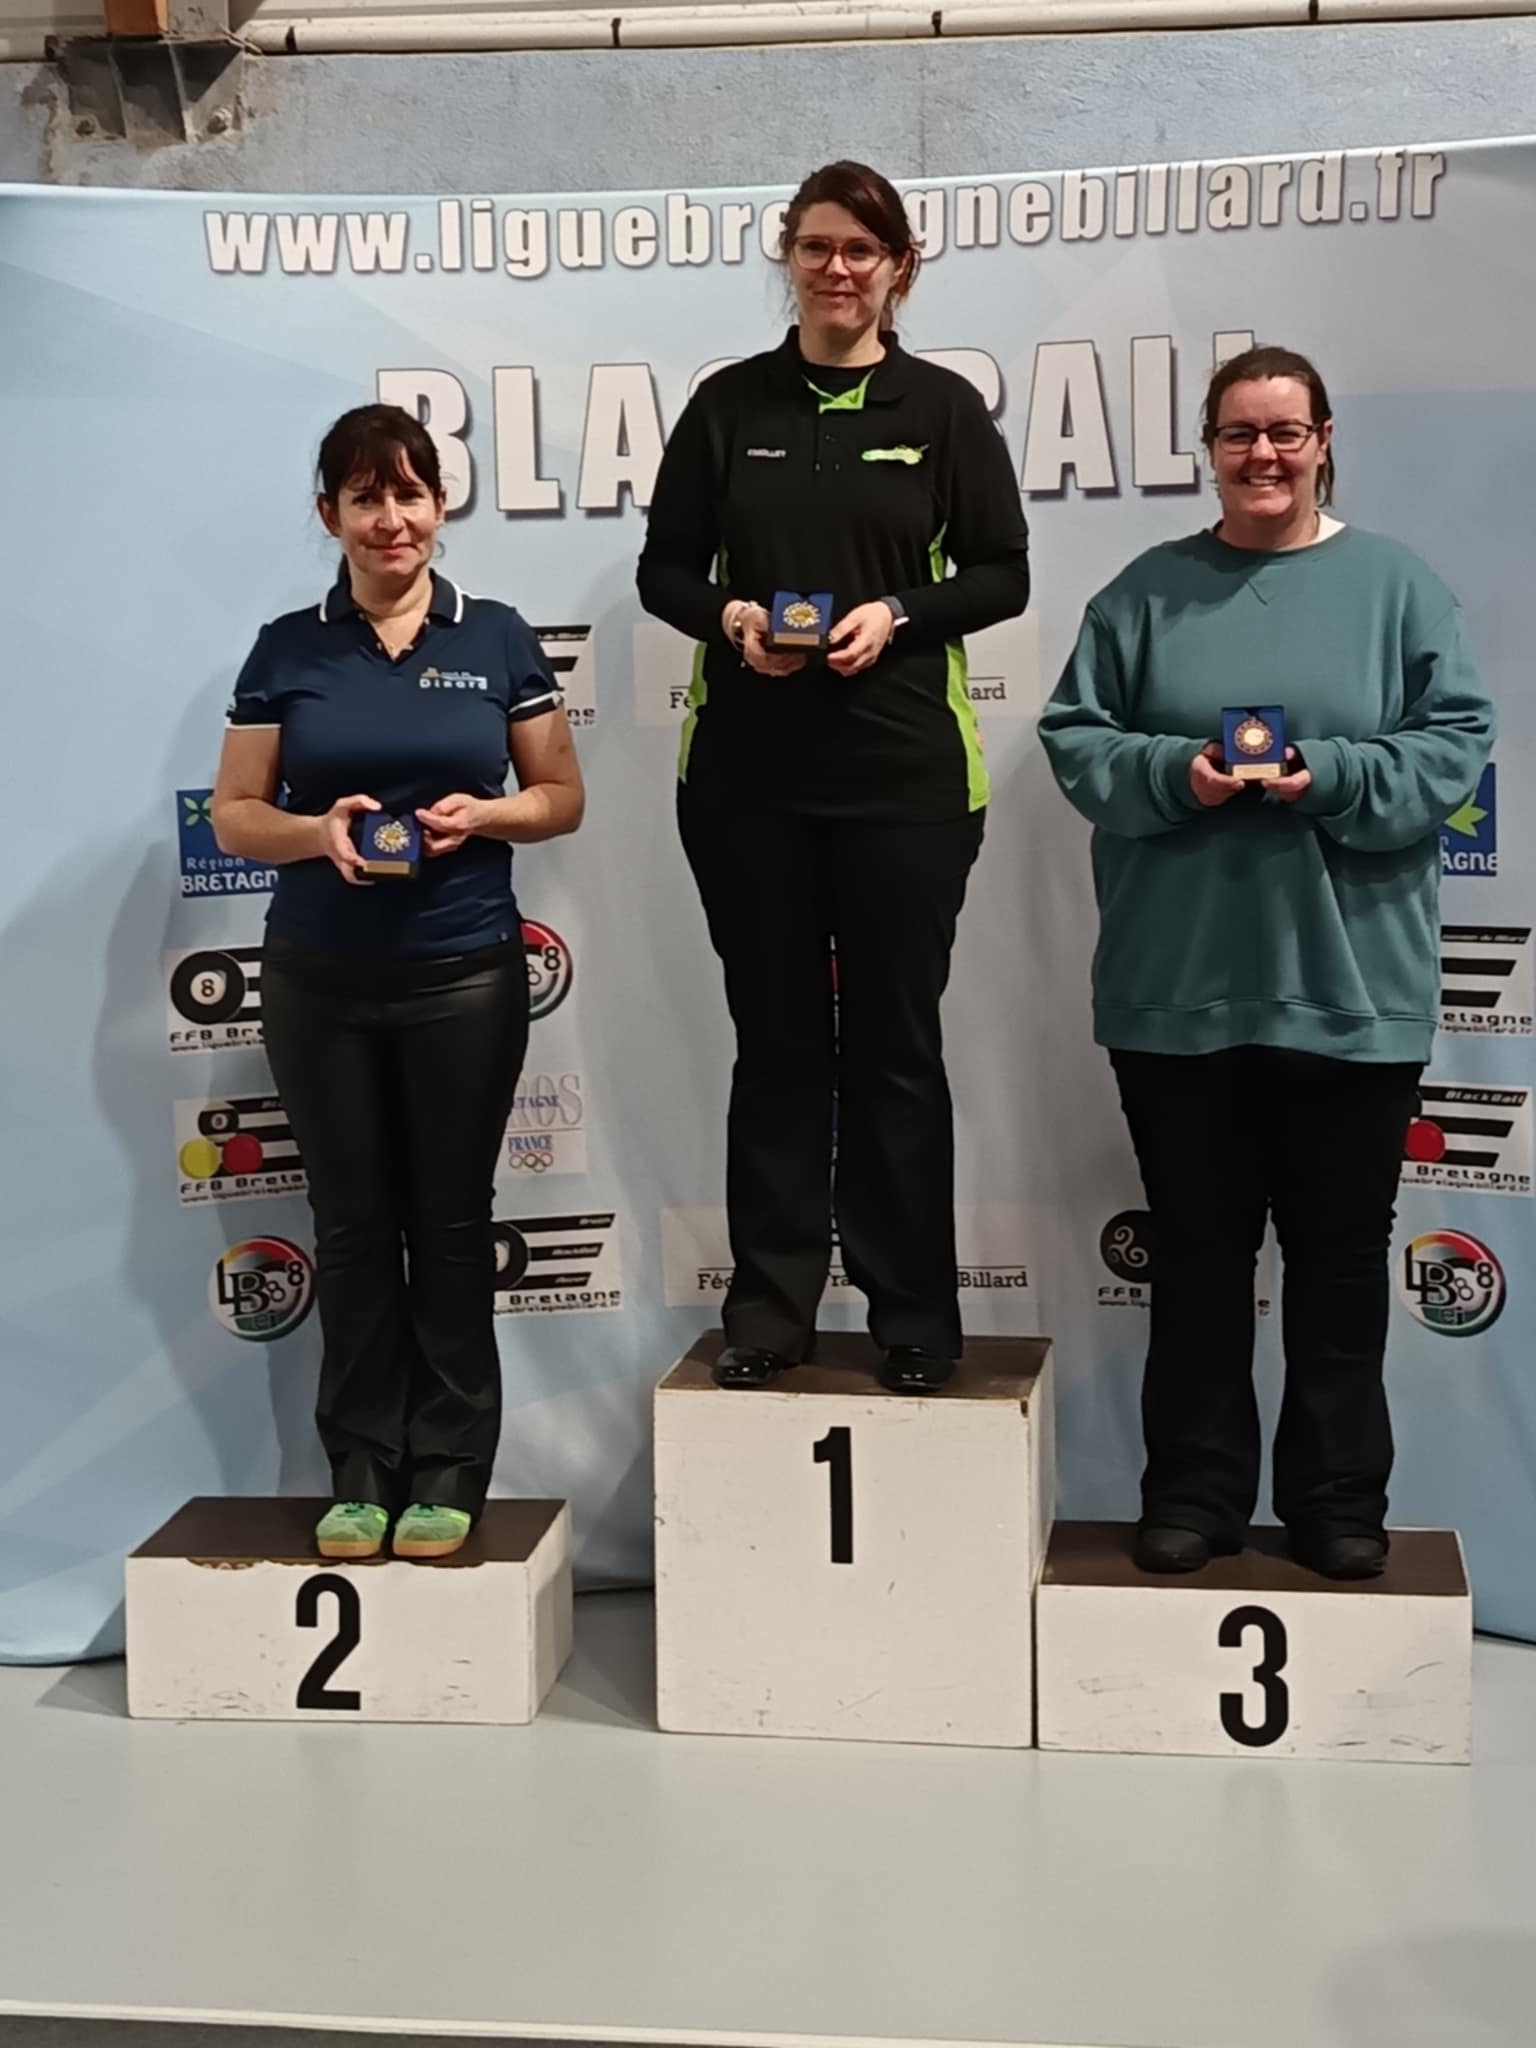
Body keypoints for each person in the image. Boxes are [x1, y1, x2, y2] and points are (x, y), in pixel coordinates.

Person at [1040, 344, 1494, 1580]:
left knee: (1343, 1270)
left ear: (1326, 438)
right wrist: (1171, 773)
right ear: (1209, 447)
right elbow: (1078, 739)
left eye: (1286, 432)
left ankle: (1339, 1502)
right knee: (1197, 1262)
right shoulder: (1144, 591)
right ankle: (1194, 1494)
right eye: (1239, 434)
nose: (1264, 455)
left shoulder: (1400, 587)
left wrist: (1333, 775)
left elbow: (1456, 746)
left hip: (1353, 998)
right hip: (1176, 992)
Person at [638, 160, 1030, 1395]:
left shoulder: (946, 408)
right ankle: (771, 1305)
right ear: (788, 259)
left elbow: (1004, 574)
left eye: (862, 249)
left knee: (898, 1049)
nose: (837, 268)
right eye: (815, 247)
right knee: (779, 1044)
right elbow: (664, 572)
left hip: (908, 778)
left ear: (899, 266)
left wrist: (901, 614)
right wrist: (731, 615)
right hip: (749, 781)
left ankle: (915, 1311)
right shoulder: (727, 406)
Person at [212, 404, 584, 1562]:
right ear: (330, 514)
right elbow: (234, 813)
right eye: (367, 498)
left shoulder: (500, 635)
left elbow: (561, 794)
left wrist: (492, 811)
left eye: (411, 493)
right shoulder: (286, 647)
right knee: (356, 1228)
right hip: (320, 977)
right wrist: (313, 830)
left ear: (440, 506)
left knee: (453, 1223)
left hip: (464, 972)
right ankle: (362, 1468)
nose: (393, 519)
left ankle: (451, 1470)